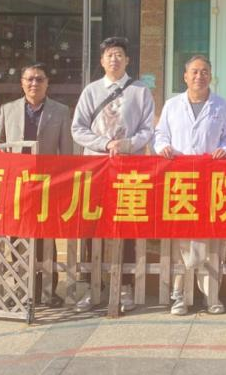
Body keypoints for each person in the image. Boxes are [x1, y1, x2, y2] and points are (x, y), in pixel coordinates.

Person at [71, 36, 155, 313]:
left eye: (119, 54)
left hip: (129, 169)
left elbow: (148, 129)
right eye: (109, 55)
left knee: (126, 225)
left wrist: (126, 144)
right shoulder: (91, 91)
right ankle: (91, 286)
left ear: (127, 60)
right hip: (96, 168)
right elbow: (78, 129)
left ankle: (125, 286)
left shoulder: (140, 91)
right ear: (102, 60)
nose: (114, 59)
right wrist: (105, 144)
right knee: (91, 225)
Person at [153, 55, 226, 315]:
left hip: (211, 181)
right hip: (181, 181)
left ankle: (211, 295)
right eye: (194, 71)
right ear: (185, 76)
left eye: (204, 72)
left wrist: (225, 150)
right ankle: (179, 294)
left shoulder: (220, 105)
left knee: (213, 240)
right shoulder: (172, 105)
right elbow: (160, 134)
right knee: (181, 239)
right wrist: (162, 147)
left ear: (210, 76)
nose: (199, 76)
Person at [0, 62, 74, 307]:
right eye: (29, 79)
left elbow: (66, 151)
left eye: (39, 79)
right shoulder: (8, 109)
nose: (34, 83)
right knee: (17, 238)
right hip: (16, 185)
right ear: (22, 83)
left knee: (45, 239)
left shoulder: (60, 111)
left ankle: (47, 292)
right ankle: (21, 289)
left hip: (46, 185)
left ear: (47, 83)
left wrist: (63, 183)